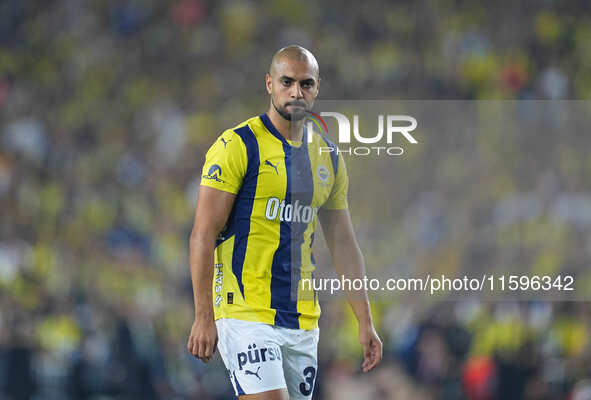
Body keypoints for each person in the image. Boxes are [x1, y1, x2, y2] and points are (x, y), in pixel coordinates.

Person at [187, 45, 382, 400]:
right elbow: (203, 234)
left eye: (306, 84)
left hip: (303, 320)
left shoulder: (328, 157)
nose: (296, 92)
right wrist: (204, 316)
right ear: (269, 83)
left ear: (317, 87)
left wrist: (365, 319)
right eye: (287, 82)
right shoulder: (237, 146)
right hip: (245, 312)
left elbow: (343, 243)